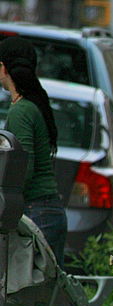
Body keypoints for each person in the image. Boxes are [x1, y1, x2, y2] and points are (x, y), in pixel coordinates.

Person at [0, 36, 67, 267]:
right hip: (46, 211)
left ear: (3, 67)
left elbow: (21, 169)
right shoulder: (32, 104)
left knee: (25, 297)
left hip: (35, 213)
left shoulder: (21, 111)